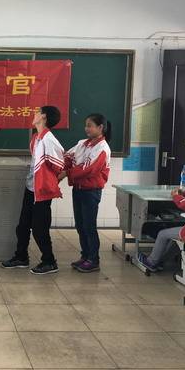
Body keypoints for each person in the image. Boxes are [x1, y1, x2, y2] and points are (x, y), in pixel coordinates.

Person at [2, 106, 65, 275]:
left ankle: (49, 261)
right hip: (31, 188)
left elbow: (59, 165)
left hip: (42, 191)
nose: (34, 114)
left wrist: (50, 181)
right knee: (22, 226)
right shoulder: (37, 137)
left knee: (39, 228)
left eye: (37, 112)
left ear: (43, 116)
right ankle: (21, 256)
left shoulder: (48, 140)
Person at [59, 113, 112, 273]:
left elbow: (89, 169)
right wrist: (62, 167)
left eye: (90, 125)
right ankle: (85, 256)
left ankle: (93, 260)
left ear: (100, 127)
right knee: (80, 225)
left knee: (89, 226)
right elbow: (68, 156)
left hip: (91, 191)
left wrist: (66, 173)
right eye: (86, 125)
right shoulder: (82, 143)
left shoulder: (102, 148)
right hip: (79, 189)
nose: (86, 128)